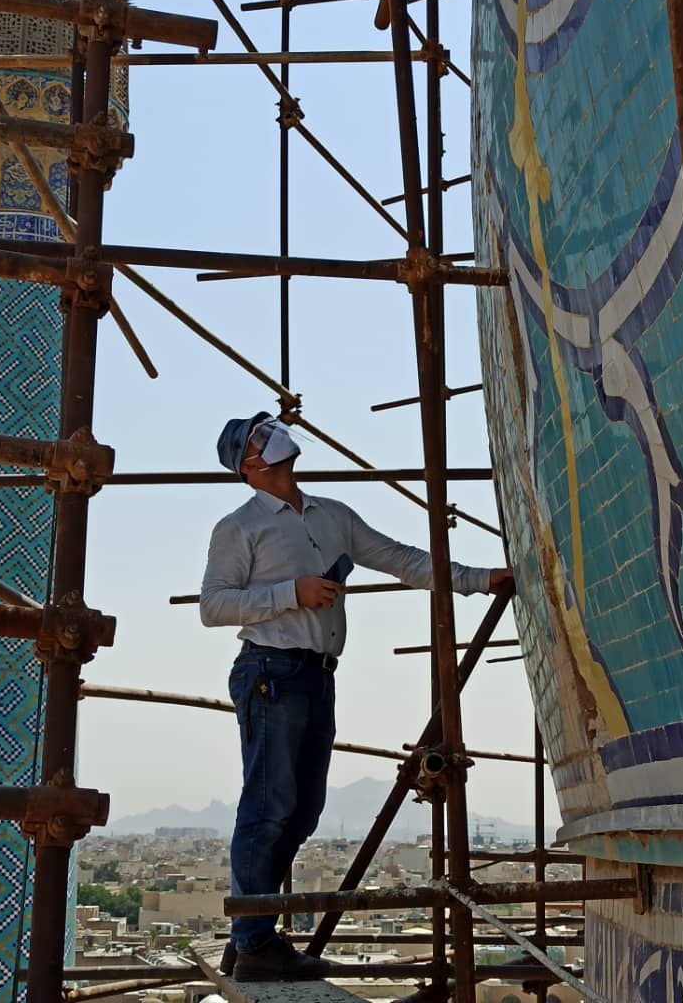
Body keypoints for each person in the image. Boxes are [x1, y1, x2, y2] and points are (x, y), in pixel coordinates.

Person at [200, 412, 513, 982]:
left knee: (302, 810)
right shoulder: (240, 527)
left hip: (316, 673)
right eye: (259, 436)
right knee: (269, 806)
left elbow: (402, 560)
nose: (273, 434)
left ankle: (253, 933)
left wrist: (479, 578)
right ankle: (252, 940)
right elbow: (213, 606)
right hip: (270, 670)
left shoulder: (331, 515)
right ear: (249, 467)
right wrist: (289, 593)